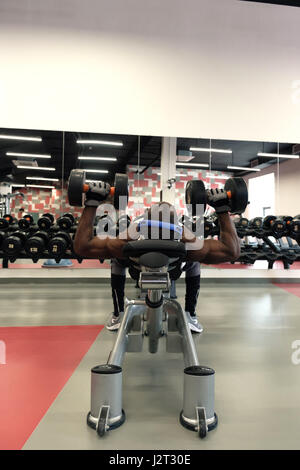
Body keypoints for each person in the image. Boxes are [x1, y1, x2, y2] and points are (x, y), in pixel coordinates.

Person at [74, 181, 240, 331]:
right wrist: (222, 209)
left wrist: (92, 202)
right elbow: (231, 251)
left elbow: (82, 247)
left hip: (136, 267)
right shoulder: (189, 244)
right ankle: (190, 314)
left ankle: (118, 314)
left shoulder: (127, 240)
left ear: (145, 217)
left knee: (116, 260)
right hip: (173, 267)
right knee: (195, 262)